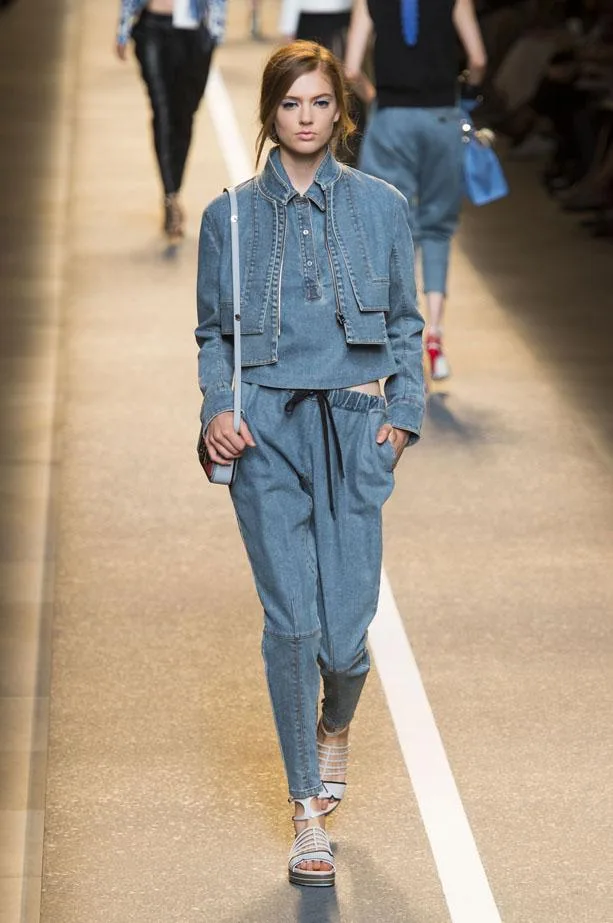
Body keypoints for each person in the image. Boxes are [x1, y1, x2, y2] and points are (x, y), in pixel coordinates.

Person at [195, 41, 425, 887]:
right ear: (270, 113)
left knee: (344, 637)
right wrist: (218, 407)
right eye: (291, 104)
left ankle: (336, 724)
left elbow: (404, 324)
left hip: (353, 421)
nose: (305, 118)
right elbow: (214, 332)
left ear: (340, 112)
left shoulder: (382, 206)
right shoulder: (229, 217)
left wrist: (399, 418)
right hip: (265, 431)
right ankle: (304, 813)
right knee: (291, 623)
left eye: (319, 103)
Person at [345, 0, 487, 380]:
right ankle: (435, 340)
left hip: (391, 119)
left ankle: (393, 339)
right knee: (437, 228)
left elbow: (351, 68)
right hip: (441, 117)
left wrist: (377, 98)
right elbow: (478, 60)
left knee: (389, 230)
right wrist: (467, 98)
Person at [115, 0, 227, 243]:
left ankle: (174, 187)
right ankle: (170, 196)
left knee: (183, 116)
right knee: (161, 109)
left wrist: (215, 31)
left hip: (192, 30)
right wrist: (123, 28)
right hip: (152, 27)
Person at [278, 0, 367, 164]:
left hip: (321, 25)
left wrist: (287, 29)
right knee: (342, 111)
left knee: (308, 110)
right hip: (338, 26)